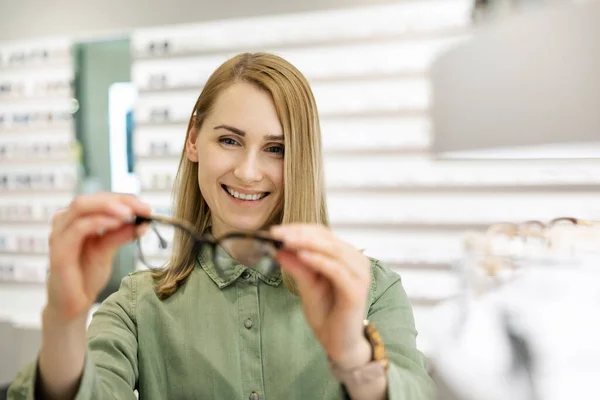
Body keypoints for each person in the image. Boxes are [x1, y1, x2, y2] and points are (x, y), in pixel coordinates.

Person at [8, 53, 434, 399]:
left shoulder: (371, 291)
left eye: (276, 149)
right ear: (193, 140)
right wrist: (62, 319)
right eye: (229, 140)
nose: (249, 172)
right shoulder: (139, 306)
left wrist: (355, 358)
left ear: (302, 158)